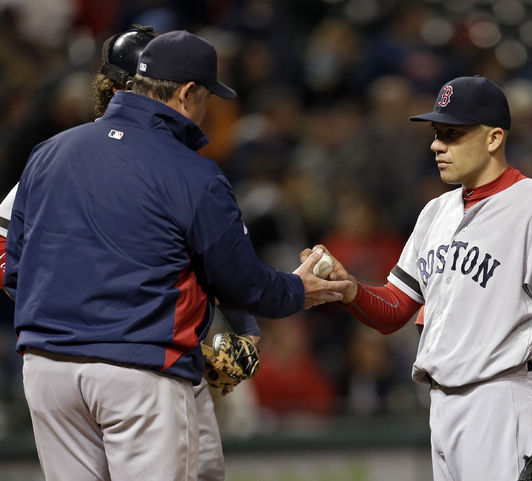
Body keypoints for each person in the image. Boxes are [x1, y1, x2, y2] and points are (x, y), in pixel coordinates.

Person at [3, 30, 351, 481]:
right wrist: (296, 290)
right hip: (138, 370)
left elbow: (15, 269)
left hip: (46, 370)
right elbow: (240, 282)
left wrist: (72, 323)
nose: (207, 110)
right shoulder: (191, 173)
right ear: (187, 93)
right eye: (206, 97)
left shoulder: (49, 153)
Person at [302, 75, 532, 480]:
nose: (437, 145)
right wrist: (349, 289)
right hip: (441, 406)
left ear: (493, 138)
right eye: (438, 133)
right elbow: (396, 308)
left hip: (503, 401)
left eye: (452, 134)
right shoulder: (435, 212)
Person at [0, 25, 247, 481]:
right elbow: (4, 245)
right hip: (132, 356)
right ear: (120, 90)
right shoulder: (72, 157)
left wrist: (243, 331)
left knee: (205, 469)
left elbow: (226, 266)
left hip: (161, 351)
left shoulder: (181, 166)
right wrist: (78, 308)